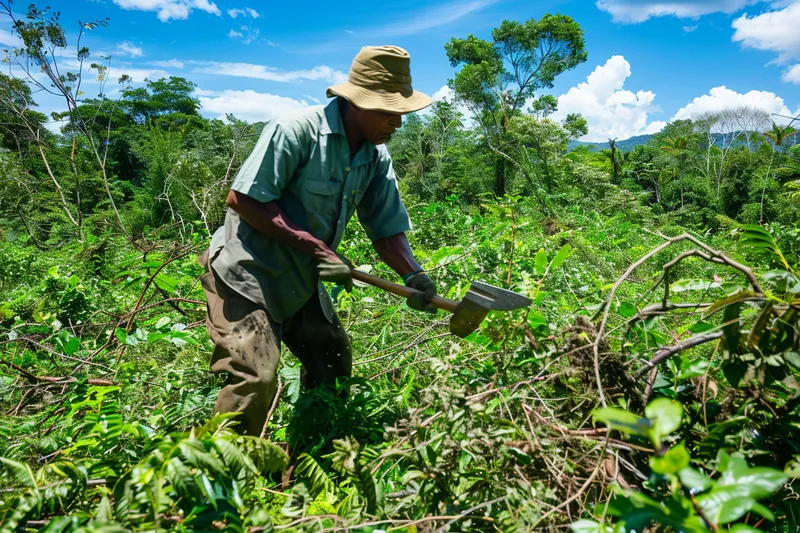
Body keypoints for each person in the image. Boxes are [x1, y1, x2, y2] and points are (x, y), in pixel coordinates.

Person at [198, 45, 437, 436]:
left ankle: (310, 453)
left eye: (401, 113)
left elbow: (387, 228)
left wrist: (414, 275)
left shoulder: (376, 158)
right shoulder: (294, 131)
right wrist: (319, 249)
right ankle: (219, 480)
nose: (398, 123)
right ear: (357, 103)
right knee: (255, 380)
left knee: (333, 361)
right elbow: (243, 200)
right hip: (247, 272)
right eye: (389, 112)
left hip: (301, 279)